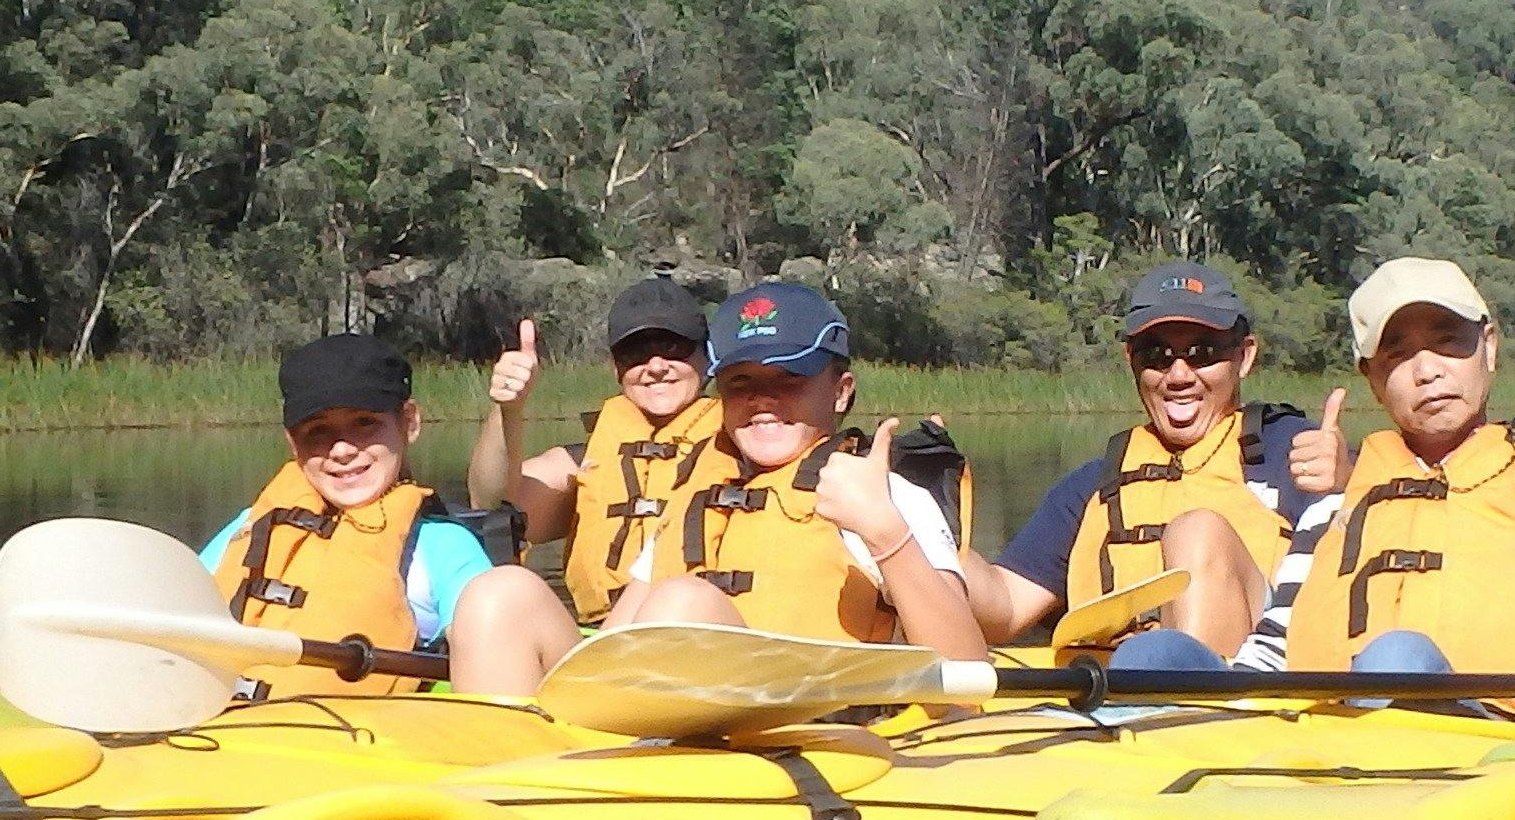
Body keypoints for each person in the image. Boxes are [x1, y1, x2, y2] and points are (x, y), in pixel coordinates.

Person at [446, 278, 989, 683]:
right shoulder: (696, 492)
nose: (762, 401)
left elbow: (966, 673)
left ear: (840, 391)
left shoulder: (885, 496)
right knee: (501, 592)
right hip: (670, 716)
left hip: (812, 725)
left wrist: (887, 534)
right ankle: (513, 767)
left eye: (789, 379)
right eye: (741, 383)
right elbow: (616, 639)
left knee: (684, 602)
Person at [1230, 259, 1515, 720]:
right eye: (1398, 354)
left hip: (1487, 733)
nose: (1427, 371)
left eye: (1448, 342)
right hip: (1320, 738)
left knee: (1398, 657)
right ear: (1372, 379)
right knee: (1182, 658)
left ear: (1488, 347)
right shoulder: (1334, 504)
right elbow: (1274, 646)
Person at [976, 263, 1315, 659]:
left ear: (1243, 356)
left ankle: (1178, 681)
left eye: (1203, 353)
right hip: (1114, 679)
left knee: (1197, 532)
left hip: (1244, 684)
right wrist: (927, 530)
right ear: (1131, 360)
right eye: (1156, 355)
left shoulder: (1294, 453)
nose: (1179, 375)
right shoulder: (1094, 484)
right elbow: (1005, 609)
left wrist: (1341, 483)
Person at [200, 334, 496, 692]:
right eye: (317, 431)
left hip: (371, 725)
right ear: (293, 443)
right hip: (236, 720)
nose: (341, 450)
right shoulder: (250, 529)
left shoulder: (444, 546)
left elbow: (495, 643)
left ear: (409, 422)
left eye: (365, 423)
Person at [468, 277, 719, 626]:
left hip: (699, 632)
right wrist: (507, 409)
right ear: (617, 368)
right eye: (635, 353)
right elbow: (491, 502)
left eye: (673, 347)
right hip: (600, 634)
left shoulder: (744, 450)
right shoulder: (583, 461)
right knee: (500, 591)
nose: (656, 366)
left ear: (706, 356)